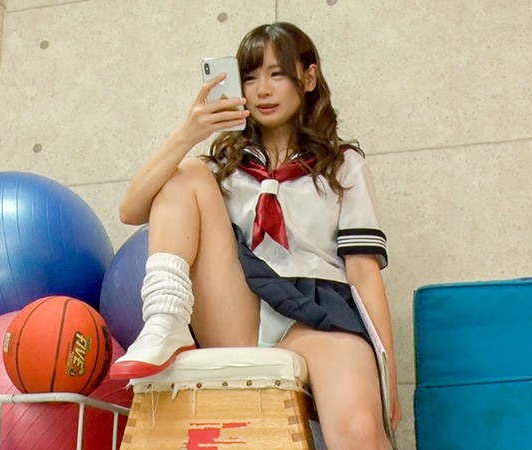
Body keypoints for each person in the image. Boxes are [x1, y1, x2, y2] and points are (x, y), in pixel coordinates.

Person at [109, 22, 402, 449]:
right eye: (249, 77)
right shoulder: (224, 167)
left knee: (359, 431)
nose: (262, 89)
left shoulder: (342, 163)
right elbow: (130, 210)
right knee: (186, 170)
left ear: (309, 77)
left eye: (276, 73)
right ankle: (164, 321)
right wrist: (188, 134)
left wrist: (386, 370)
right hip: (241, 307)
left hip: (318, 316)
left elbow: (363, 272)